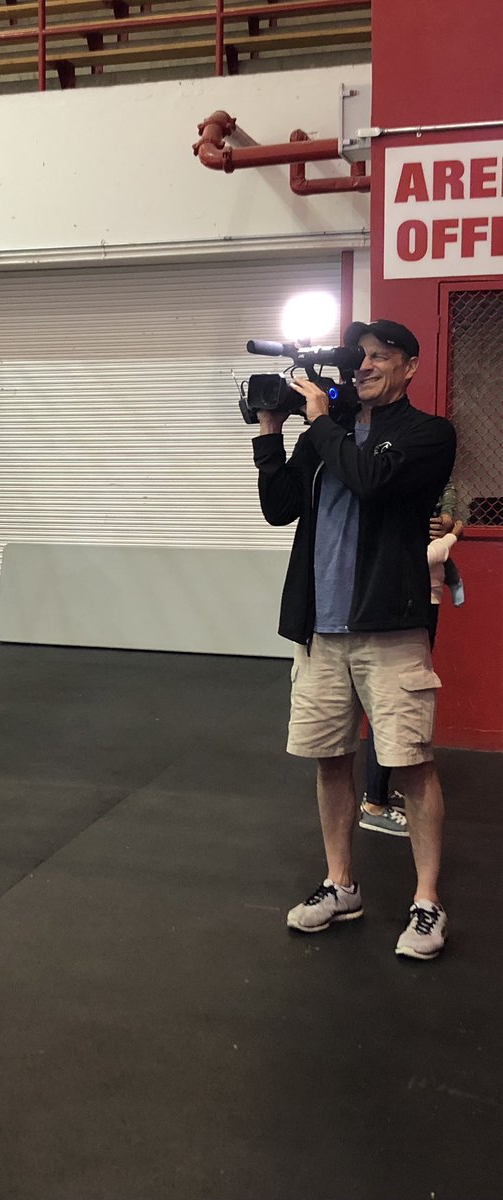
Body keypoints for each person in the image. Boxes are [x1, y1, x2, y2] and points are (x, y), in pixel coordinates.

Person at [252, 318, 456, 960]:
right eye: (358, 356)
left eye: (379, 355)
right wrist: (270, 431)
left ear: (410, 366)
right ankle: (341, 884)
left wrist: (320, 420)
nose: (364, 365)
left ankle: (427, 903)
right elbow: (280, 506)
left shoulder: (428, 435)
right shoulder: (328, 433)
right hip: (321, 626)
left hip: (389, 626)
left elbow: (369, 479)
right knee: (329, 758)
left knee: (411, 762)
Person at [359, 482, 464, 836]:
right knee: (393, 700)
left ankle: (382, 788)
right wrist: (452, 539)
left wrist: (451, 520)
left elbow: (453, 499)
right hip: (407, 604)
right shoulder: (392, 500)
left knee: (399, 699)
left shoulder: (429, 491)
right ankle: (374, 801)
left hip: (424, 602)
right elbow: (420, 556)